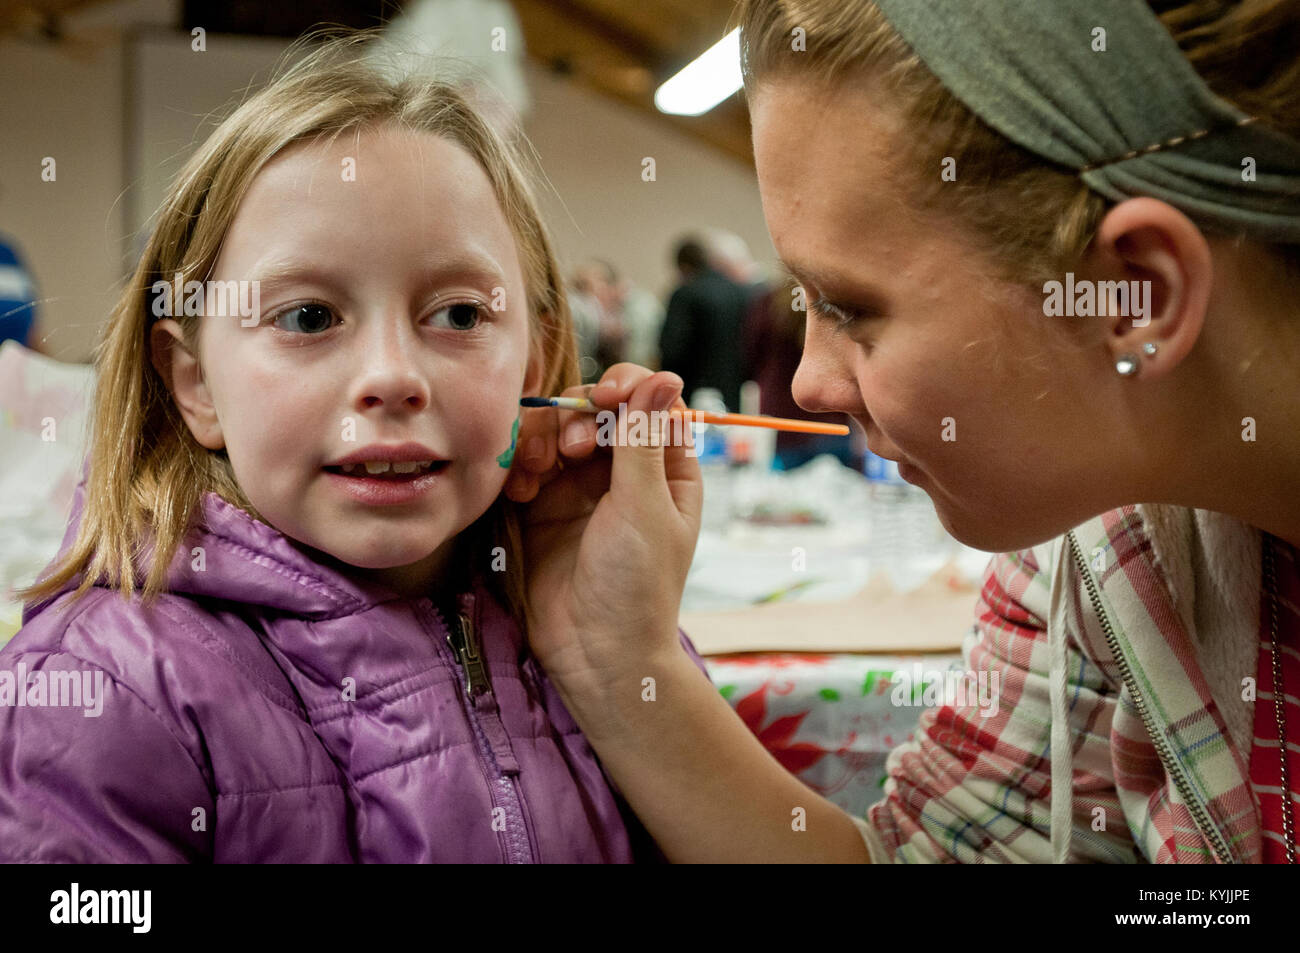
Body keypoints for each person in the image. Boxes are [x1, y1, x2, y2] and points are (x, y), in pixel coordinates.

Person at [503, 0, 1300, 863]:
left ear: (1133, 293)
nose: (809, 383)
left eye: (849, 307)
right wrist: (619, 658)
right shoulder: (1098, 554)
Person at [0, 32, 705, 863]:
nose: (393, 377)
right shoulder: (103, 689)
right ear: (194, 384)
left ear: (538, 361)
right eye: (307, 317)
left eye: (460, 315)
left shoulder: (597, 626)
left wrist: (634, 659)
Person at [658, 236, 751, 411]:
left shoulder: (685, 294)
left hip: (694, 391)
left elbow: (672, 348)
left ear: (683, 266)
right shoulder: (740, 292)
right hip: (734, 389)